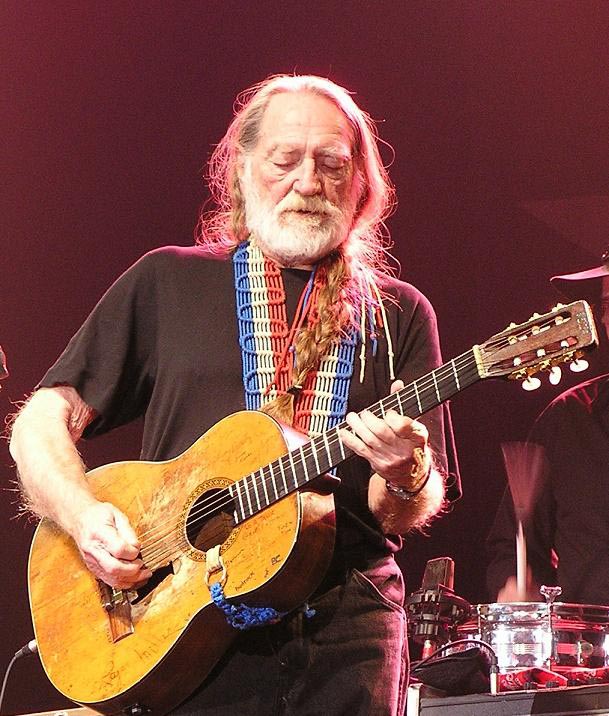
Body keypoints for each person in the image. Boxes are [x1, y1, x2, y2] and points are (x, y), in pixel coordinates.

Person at [10, 74, 459, 715]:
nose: (309, 182)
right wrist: (83, 517)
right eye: (285, 160)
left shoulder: (401, 313)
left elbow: (401, 510)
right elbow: (41, 422)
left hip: (343, 639)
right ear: (242, 168)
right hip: (179, 626)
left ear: (362, 185)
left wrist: (408, 473)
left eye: (334, 164)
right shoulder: (169, 280)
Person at [487, 249, 609, 605]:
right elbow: (512, 545)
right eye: (607, 304)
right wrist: (520, 588)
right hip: (588, 655)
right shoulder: (568, 418)